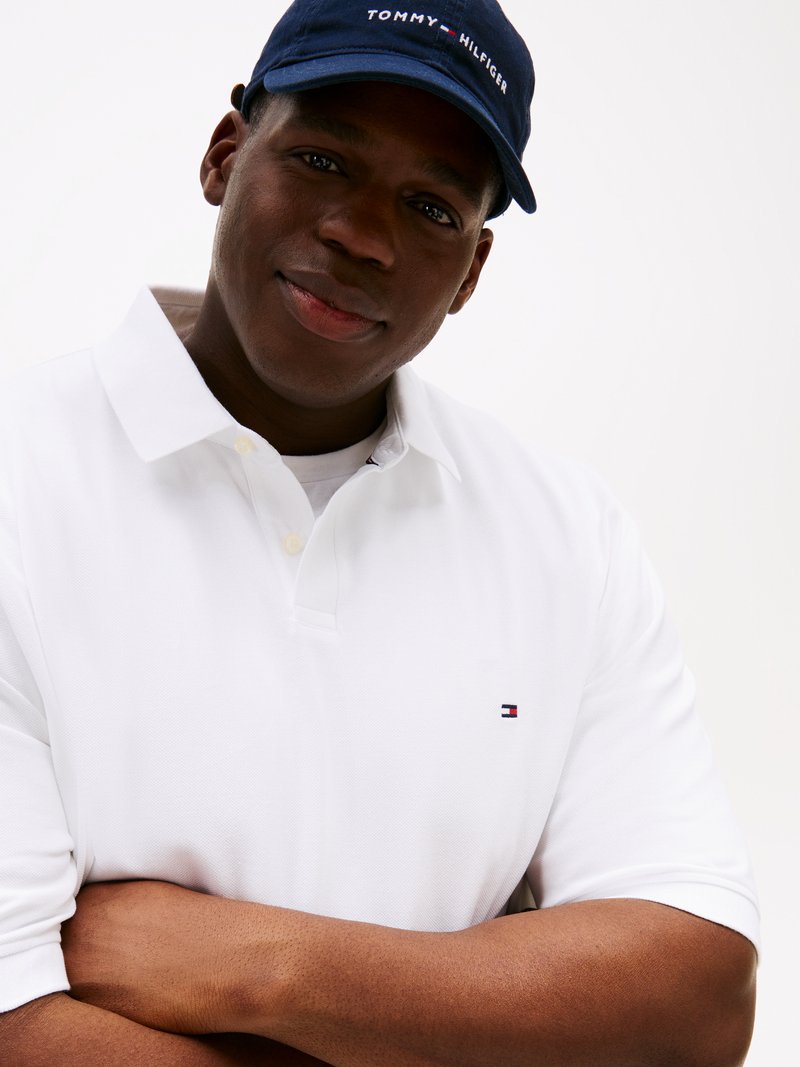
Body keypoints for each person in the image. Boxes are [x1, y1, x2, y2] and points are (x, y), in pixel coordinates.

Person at [0, 1, 758, 1064]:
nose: (360, 234)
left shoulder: (565, 535)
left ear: (472, 271)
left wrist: (263, 967)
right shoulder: (22, 481)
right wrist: (483, 1011)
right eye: (321, 159)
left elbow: (697, 998)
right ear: (225, 154)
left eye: (431, 207)